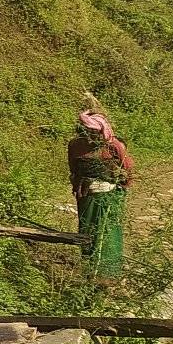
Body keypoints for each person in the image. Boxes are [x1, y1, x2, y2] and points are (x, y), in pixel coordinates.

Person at [67, 107, 134, 276]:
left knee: (107, 231)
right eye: (86, 131)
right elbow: (74, 170)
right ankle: (90, 269)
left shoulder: (113, 146)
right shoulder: (75, 146)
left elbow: (127, 170)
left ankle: (107, 272)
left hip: (109, 195)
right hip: (86, 195)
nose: (90, 136)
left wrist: (120, 188)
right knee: (88, 229)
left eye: (93, 132)